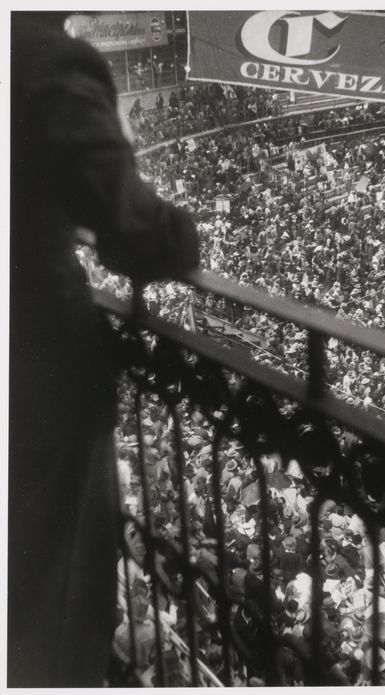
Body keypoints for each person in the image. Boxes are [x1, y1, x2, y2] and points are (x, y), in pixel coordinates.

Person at [10, 12, 200, 687]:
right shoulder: (47, 61)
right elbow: (139, 233)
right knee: (52, 605)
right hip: (37, 388)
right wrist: (184, 232)